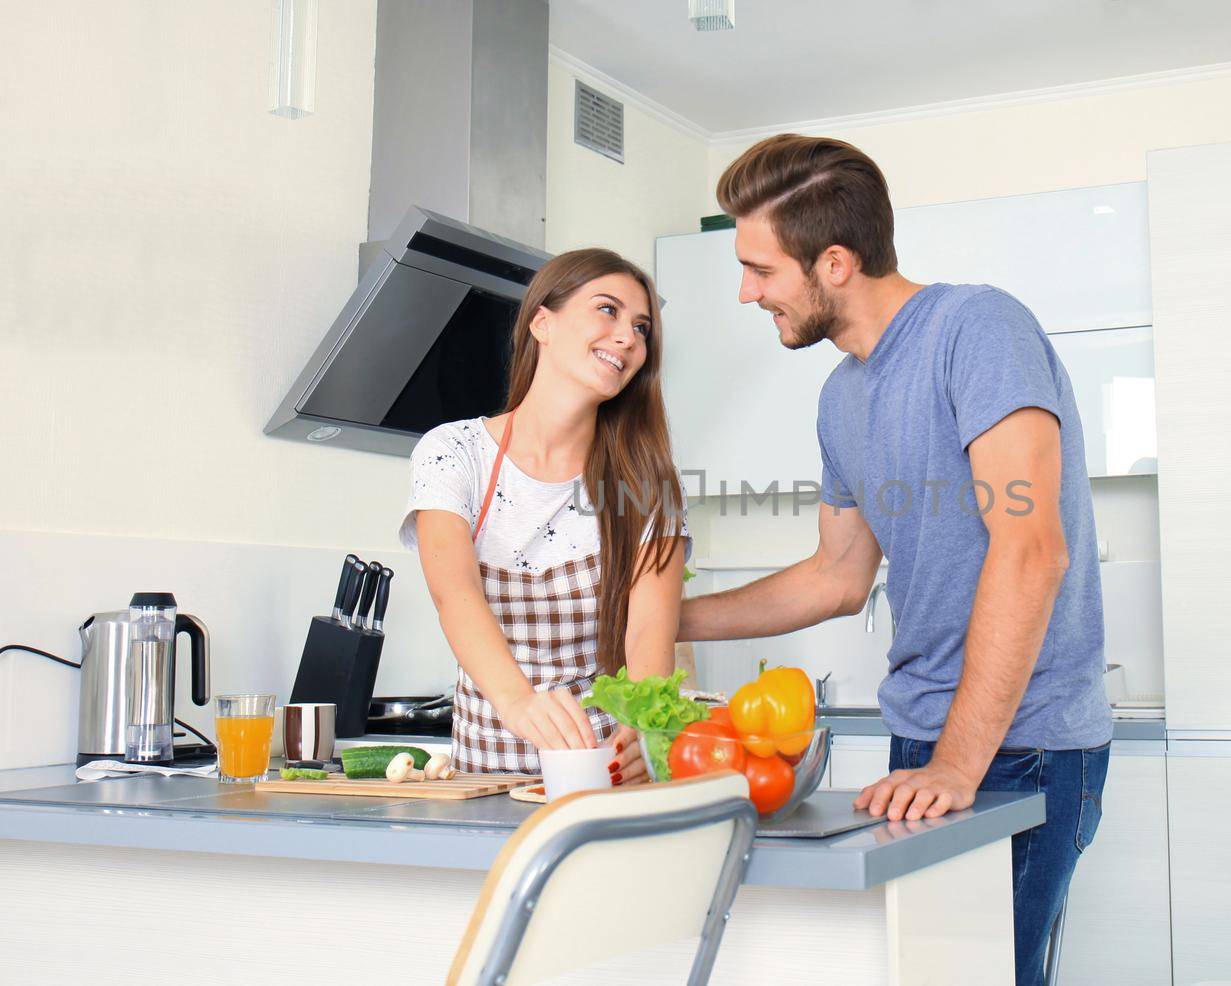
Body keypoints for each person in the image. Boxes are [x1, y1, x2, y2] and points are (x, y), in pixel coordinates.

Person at [677, 135, 1111, 986]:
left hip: (1018, 744)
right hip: (921, 738)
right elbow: (835, 577)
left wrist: (958, 762)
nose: (746, 291)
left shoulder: (976, 329)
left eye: (760, 269)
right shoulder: (842, 396)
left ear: (834, 262)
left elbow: (1032, 551)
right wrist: (669, 616)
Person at [402, 248, 688, 783]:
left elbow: (649, 628)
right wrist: (520, 702)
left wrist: (643, 726)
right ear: (542, 323)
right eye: (608, 309)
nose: (629, 337)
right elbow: (455, 595)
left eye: (642, 327)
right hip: (485, 777)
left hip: (605, 775)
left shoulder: (648, 482)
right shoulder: (453, 451)